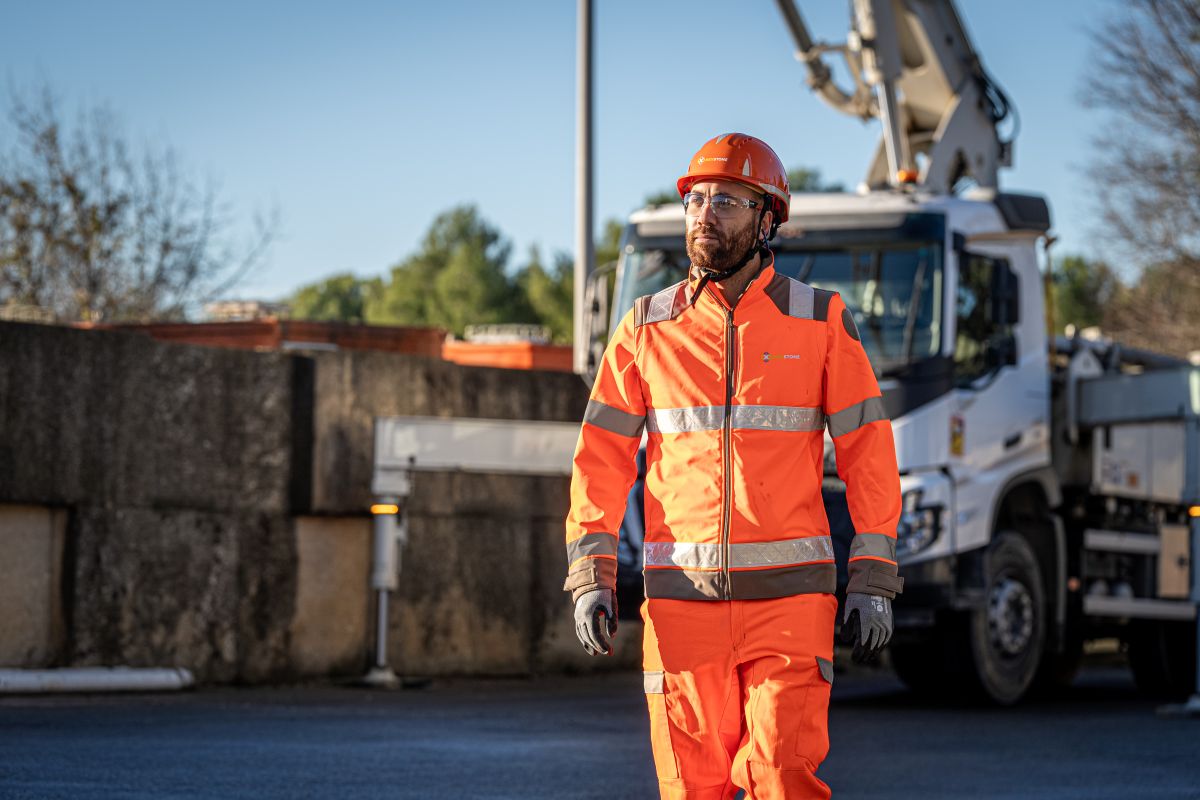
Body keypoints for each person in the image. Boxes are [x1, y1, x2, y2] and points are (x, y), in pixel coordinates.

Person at [564, 132, 902, 799]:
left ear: (766, 218)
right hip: (680, 607)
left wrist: (874, 576)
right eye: (696, 200)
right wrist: (590, 573)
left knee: (783, 777)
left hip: (790, 602)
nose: (704, 214)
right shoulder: (645, 327)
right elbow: (600, 457)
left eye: (727, 200)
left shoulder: (820, 319)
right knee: (691, 788)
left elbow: (868, 450)